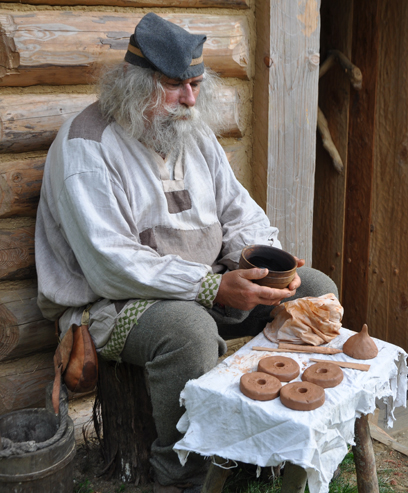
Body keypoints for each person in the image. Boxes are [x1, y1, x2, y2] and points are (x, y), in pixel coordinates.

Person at [34, 13, 336, 492]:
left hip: (209, 286)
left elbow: (241, 212)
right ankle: (183, 476)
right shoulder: (86, 147)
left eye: (195, 84)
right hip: (112, 306)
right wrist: (213, 287)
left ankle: (273, 437)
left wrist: (265, 265)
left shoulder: (191, 131)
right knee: (187, 330)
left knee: (314, 291)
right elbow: (110, 264)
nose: (190, 100)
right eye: (175, 85)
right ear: (134, 82)